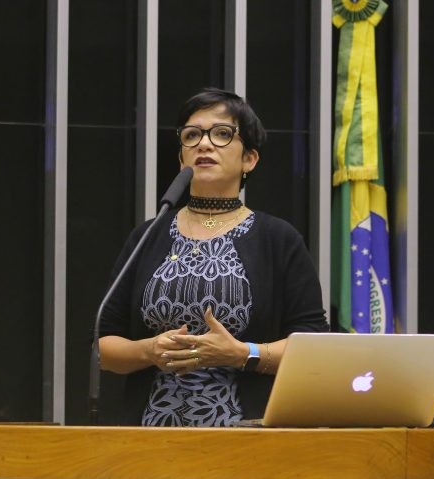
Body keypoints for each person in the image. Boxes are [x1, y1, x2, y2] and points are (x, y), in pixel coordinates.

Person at [97, 87, 328, 426]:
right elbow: (102, 346)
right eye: (192, 136)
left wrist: (242, 354)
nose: (204, 144)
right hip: (147, 435)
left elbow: (315, 347)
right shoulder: (149, 234)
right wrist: (149, 351)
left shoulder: (278, 239)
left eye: (222, 134)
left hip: (248, 435)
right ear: (181, 159)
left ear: (249, 158)